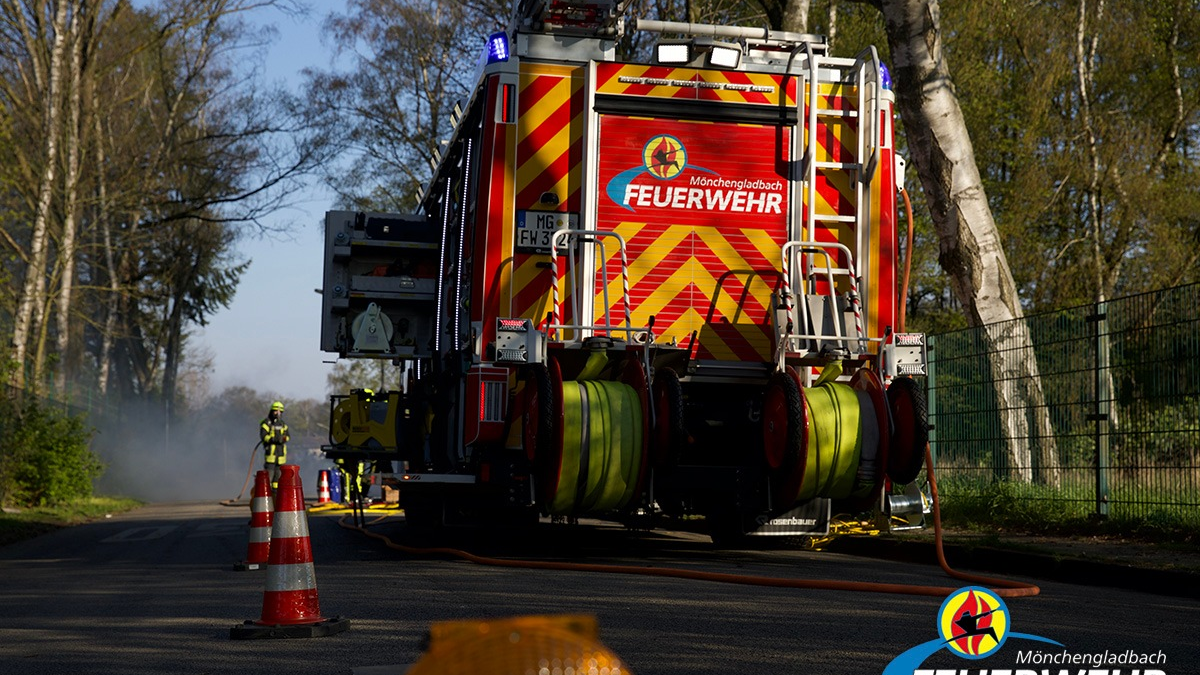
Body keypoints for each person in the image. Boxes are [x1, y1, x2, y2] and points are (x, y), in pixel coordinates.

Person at [260, 401, 290, 491]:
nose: (278, 413)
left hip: (281, 456)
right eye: (276, 411)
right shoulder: (266, 423)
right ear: (272, 411)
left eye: (280, 411)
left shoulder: (283, 424)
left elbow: (288, 436)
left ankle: (276, 496)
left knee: (278, 479)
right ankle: (266, 496)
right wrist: (275, 439)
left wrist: (283, 439)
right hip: (271, 455)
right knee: (269, 477)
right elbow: (264, 436)